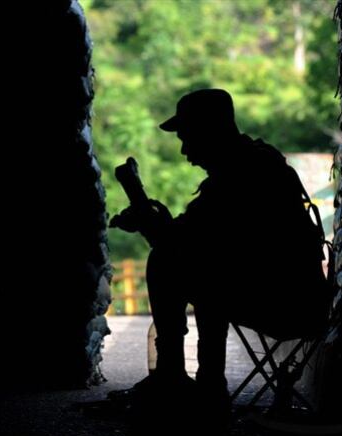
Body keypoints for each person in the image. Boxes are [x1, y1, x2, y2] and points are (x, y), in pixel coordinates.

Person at [110, 88, 327, 415]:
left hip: (286, 304)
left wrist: (147, 222)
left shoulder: (240, 176)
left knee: (169, 263)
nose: (184, 150)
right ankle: (203, 383)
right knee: (205, 269)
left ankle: (182, 379)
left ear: (209, 132)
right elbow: (200, 236)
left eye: (187, 138)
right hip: (297, 298)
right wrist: (155, 223)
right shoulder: (256, 163)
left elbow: (187, 240)